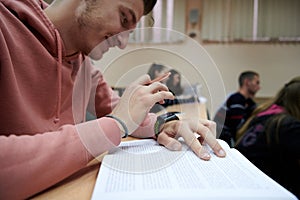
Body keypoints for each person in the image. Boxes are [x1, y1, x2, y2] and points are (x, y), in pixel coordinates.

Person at [0, 0, 226, 199]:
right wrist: (114, 125)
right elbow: (119, 119)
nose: (123, 43)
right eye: (124, 18)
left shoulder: (85, 67)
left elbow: (124, 111)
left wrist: (165, 122)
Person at [235, 76, 300, 198]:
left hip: (242, 182)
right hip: (262, 190)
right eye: (257, 82)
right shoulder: (288, 126)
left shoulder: (263, 115)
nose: (259, 86)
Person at [213, 71, 260, 147]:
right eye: (257, 82)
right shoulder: (237, 99)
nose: (259, 87)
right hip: (223, 140)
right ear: (247, 82)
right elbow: (238, 128)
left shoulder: (247, 101)